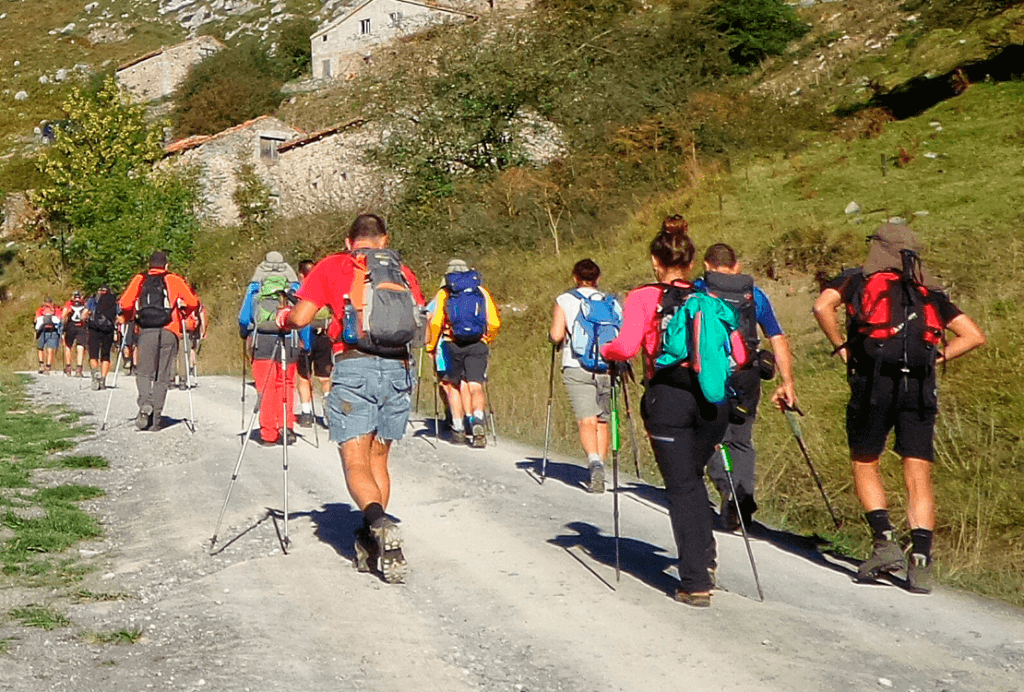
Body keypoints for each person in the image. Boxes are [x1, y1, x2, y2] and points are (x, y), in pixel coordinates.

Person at [813, 223, 985, 593]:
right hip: (919, 387)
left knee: (865, 460)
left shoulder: (856, 280)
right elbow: (974, 335)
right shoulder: (928, 291)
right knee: (917, 472)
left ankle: (884, 541)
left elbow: (821, 306)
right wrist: (935, 359)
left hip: (873, 382)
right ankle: (920, 561)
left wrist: (842, 346)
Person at [285, 213, 425, 584]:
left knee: (354, 459)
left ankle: (379, 522)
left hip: (354, 366)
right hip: (397, 369)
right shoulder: (402, 272)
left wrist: (284, 318)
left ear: (350, 242)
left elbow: (301, 317)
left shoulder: (333, 266)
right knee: (380, 457)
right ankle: (371, 537)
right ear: (383, 240)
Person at [600, 216, 729, 608]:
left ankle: (695, 581)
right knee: (692, 479)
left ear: (656, 261)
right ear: (691, 264)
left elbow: (624, 347)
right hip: (714, 401)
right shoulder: (712, 299)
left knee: (682, 486)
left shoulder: (642, 296)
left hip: (668, 398)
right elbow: (737, 354)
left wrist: (606, 352)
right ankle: (704, 559)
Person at [697, 243, 797, 530]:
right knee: (740, 438)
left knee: (710, 436)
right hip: (748, 374)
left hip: (711, 373)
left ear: (707, 265)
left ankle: (730, 492)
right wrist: (787, 381)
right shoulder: (754, 294)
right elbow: (776, 337)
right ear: (736, 266)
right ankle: (743, 498)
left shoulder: (699, 290)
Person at [548, 258, 622, 493]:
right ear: (597, 279)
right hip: (608, 367)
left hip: (576, 365)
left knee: (586, 419)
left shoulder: (565, 300)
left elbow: (557, 335)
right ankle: (601, 465)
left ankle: (594, 463)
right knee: (603, 419)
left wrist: (551, 339)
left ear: (575, 277)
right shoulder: (613, 302)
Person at [118, 251, 200, 432]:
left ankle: (145, 403)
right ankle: (156, 420)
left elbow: (124, 303)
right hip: (170, 331)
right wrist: (184, 313)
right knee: (162, 376)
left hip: (146, 330)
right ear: (166, 265)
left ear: (150, 265)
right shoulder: (174, 279)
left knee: (144, 372)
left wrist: (129, 315)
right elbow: (193, 302)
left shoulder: (140, 279)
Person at [425, 258, 501, 448]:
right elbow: (494, 322)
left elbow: (435, 323)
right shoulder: (481, 291)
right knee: (475, 385)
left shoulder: (445, 292)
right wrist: (487, 337)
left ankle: (458, 429)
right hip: (478, 343)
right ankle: (477, 421)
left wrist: (431, 346)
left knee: (453, 386)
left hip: (452, 343)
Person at [238, 251, 309, 446]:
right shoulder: (294, 286)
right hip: (290, 340)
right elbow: (303, 318)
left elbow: (244, 318)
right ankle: (286, 427)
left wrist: (245, 333)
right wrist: (307, 344)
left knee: (266, 387)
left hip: (262, 340)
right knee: (286, 384)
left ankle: (268, 433)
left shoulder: (256, 285)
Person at [295, 259, 332, 428]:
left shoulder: (297, 290)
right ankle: (329, 414)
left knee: (304, 376)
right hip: (324, 336)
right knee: (325, 377)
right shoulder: (326, 287)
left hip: (303, 337)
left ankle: (306, 413)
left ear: (301, 274)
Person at [85, 285, 120, 390]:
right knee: (106, 355)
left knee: (93, 354)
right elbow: (120, 318)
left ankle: (95, 375)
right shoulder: (113, 301)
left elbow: (85, 314)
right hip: (108, 330)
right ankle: (103, 380)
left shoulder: (93, 300)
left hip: (94, 329)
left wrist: (85, 320)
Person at [61, 290, 88, 377]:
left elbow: (63, 315)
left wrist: (62, 326)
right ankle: (79, 369)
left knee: (68, 346)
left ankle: (68, 367)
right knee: (80, 347)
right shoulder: (84, 304)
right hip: (81, 327)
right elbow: (87, 314)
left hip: (71, 326)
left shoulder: (69, 304)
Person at [34, 297, 61, 374]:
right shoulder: (56, 309)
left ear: (44, 303)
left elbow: (36, 319)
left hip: (42, 331)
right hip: (53, 331)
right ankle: (48, 366)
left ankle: (41, 364)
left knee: (40, 348)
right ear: (52, 302)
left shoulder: (40, 309)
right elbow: (60, 319)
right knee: (50, 349)